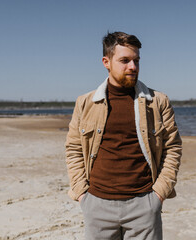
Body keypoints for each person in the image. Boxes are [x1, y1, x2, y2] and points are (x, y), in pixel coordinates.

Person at [65, 31, 182, 240]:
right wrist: (82, 194)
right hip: (97, 205)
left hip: (144, 204)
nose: (133, 67)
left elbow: (172, 148)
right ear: (106, 62)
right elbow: (73, 150)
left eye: (136, 60)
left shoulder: (158, 102)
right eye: (125, 60)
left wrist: (159, 195)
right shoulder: (85, 103)